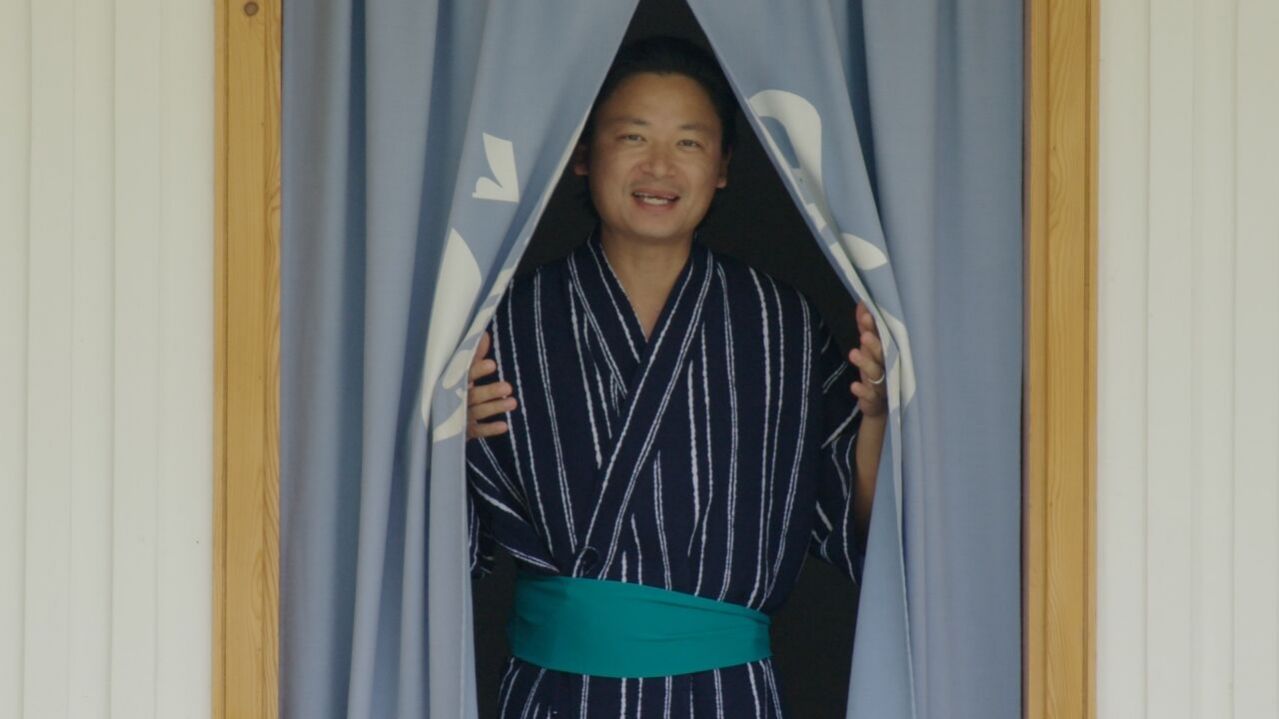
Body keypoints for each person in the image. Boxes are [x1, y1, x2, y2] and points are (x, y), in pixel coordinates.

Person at [463, 36, 886, 718]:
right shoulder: (506, 322)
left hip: (725, 696)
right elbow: (441, 548)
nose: (659, 166)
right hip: (557, 696)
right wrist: (443, 440)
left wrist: (878, 417)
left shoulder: (780, 325)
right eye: (633, 136)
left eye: (689, 142)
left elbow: (856, 528)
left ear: (722, 167)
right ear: (581, 153)